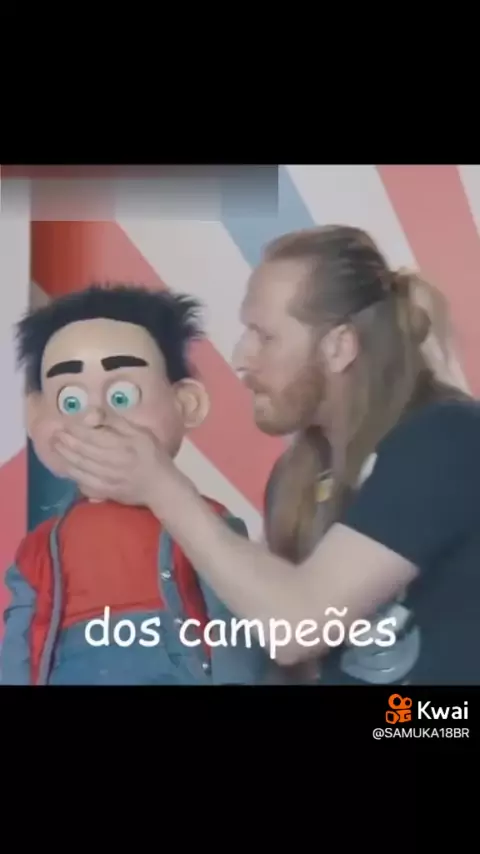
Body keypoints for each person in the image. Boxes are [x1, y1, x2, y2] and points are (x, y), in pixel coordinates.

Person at [52, 226, 480, 685]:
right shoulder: (298, 477)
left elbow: (297, 626)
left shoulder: (447, 439)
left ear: (339, 346)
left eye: (264, 335)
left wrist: (161, 487)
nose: (240, 356)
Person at [0, 284, 268, 685]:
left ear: (187, 403)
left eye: (122, 396)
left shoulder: (206, 525)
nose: (94, 418)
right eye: (70, 402)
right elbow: (19, 648)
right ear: (37, 416)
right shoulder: (37, 551)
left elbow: (233, 621)